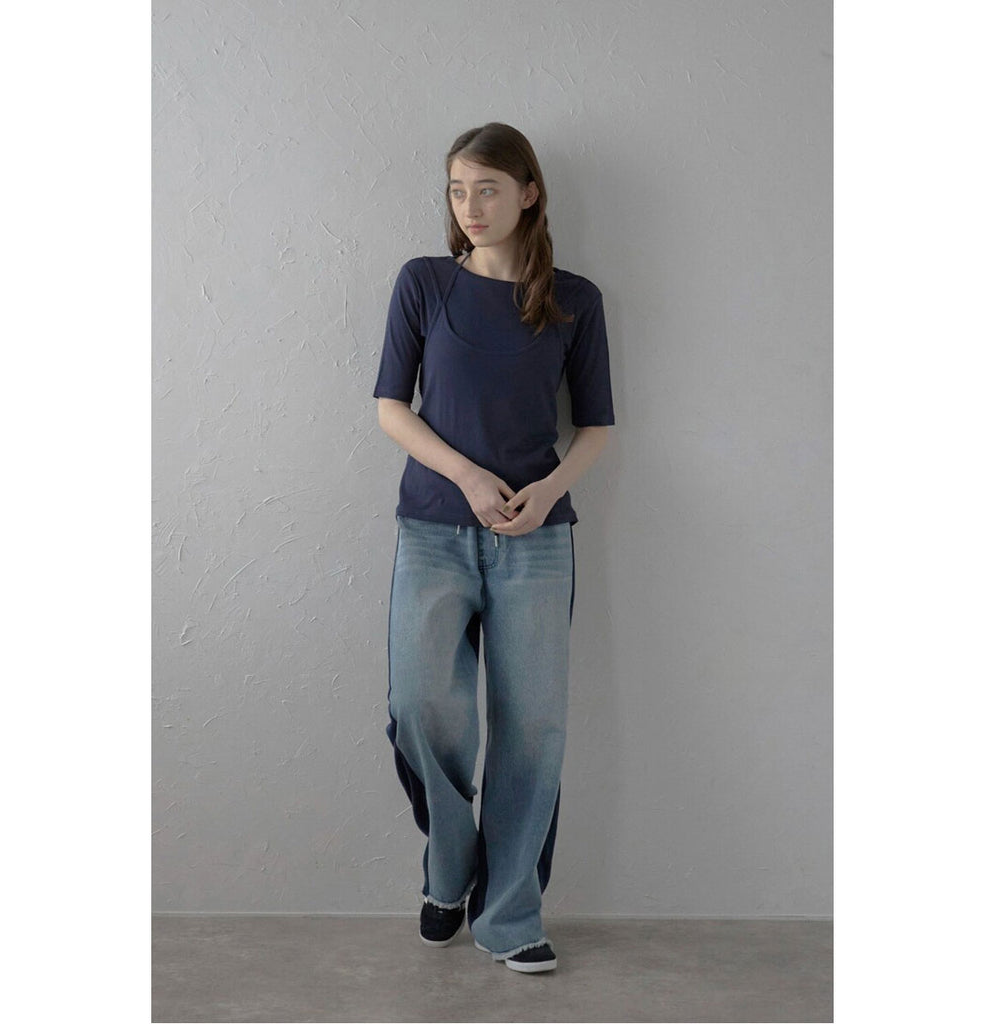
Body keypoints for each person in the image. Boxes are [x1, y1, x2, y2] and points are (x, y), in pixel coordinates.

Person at [372, 122, 616, 974]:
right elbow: (391, 408)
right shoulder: (425, 283)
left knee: (532, 731)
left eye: (487, 189)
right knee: (419, 707)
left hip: (537, 542)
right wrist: (470, 478)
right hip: (433, 530)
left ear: (528, 192)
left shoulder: (575, 300)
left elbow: (596, 426)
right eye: (457, 190)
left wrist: (546, 491)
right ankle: (451, 866)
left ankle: (510, 915)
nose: (470, 206)